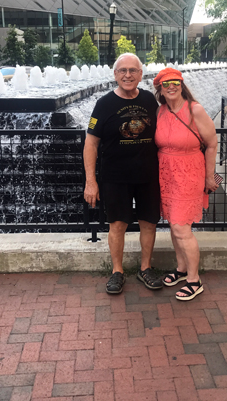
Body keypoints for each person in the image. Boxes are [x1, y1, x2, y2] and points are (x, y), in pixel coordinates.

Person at [83, 53, 163, 294]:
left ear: (141, 74)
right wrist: (91, 181)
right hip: (115, 176)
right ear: (115, 74)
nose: (127, 75)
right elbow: (90, 144)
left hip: (148, 174)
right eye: (122, 70)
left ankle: (145, 268)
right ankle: (117, 271)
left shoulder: (150, 100)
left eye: (132, 70)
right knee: (117, 224)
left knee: (149, 222)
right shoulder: (104, 104)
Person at [153, 68, 218, 301]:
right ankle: (181, 269)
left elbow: (211, 143)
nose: (171, 86)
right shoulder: (160, 111)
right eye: (166, 83)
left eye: (176, 82)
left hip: (190, 173)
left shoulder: (194, 109)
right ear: (159, 88)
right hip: (166, 174)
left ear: (182, 85)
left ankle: (194, 279)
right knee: (173, 224)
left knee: (182, 227)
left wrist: (210, 177)